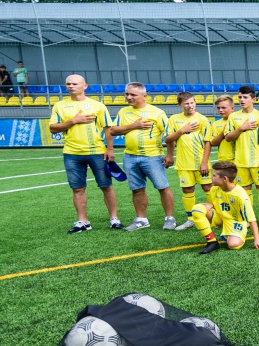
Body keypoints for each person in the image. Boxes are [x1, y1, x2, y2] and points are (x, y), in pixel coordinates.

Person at [49, 74, 121, 232]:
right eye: (68, 84)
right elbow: (53, 128)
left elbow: (108, 128)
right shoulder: (59, 106)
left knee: (106, 186)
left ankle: (114, 219)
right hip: (71, 153)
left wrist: (110, 149)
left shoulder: (97, 105)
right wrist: (73, 121)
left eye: (74, 83)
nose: (70, 86)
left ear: (85, 86)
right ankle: (83, 222)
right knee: (77, 188)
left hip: (97, 152)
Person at [107, 82, 176, 231]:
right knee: (137, 189)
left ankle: (169, 218)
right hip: (130, 157)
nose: (129, 97)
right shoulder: (123, 112)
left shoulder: (157, 112)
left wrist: (170, 155)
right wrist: (133, 126)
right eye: (127, 94)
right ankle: (141, 219)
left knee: (163, 187)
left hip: (153, 156)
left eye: (133, 94)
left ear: (144, 96)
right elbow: (113, 130)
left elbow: (169, 136)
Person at [222, 85, 259, 228]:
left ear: (254, 99)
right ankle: (250, 219)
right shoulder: (233, 116)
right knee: (245, 190)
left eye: (245, 97)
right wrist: (241, 128)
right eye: (240, 97)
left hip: (258, 160)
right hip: (241, 161)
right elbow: (228, 138)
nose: (242, 100)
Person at [191, 161, 259, 255]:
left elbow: (251, 218)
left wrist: (257, 239)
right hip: (221, 218)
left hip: (236, 221)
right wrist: (211, 204)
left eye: (214, 176)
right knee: (197, 209)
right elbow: (218, 201)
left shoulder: (240, 195)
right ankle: (212, 242)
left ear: (225, 178)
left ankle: (233, 234)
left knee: (233, 245)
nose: (210, 177)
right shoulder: (214, 188)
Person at [165, 91, 213, 230]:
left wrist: (204, 162)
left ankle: (214, 216)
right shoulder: (174, 119)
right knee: (187, 190)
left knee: (208, 188)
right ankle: (191, 219)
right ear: (179, 105)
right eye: (186, 103)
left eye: (192, 102)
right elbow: (168, 139)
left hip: (200, 163)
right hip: (184, 163)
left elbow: (207, 142)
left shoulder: (203, 119)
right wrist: (182, 130)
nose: (190, 106)